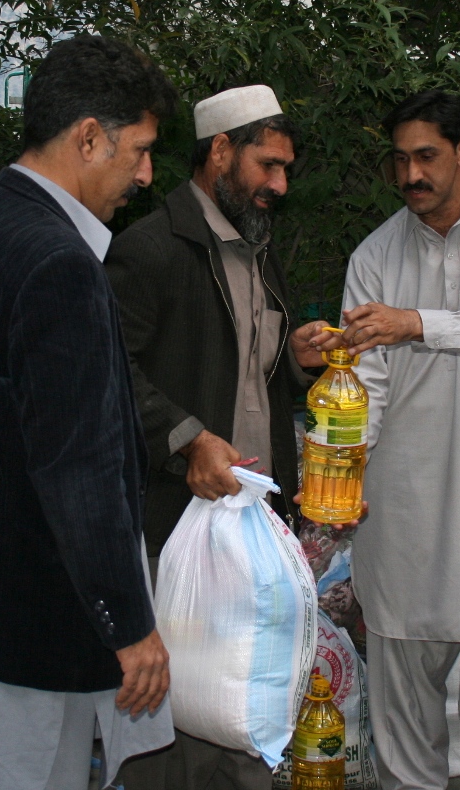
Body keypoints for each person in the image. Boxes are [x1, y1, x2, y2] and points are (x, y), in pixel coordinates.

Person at [106, 84, 335, 790]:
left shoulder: (256, 247)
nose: (279, 184)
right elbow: (109, 369)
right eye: (267, 165)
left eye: (286, 169)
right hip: (174, 524)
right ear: (219, 151)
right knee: (169, 711)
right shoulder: (149, 248)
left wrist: (293, 363)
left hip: (251, 523)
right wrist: (183, 437)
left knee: (245, 697)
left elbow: (248, 373)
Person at [0, 33, 179, 790]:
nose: (147, 176)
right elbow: (78, 466)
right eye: (141, 151)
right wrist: (128, 626)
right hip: (31, 637)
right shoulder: (58, 262)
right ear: (89, 137)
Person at [339, 89, 460, 790]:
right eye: (398, 160)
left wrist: (415, 323)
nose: (410, 175)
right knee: (403, 728)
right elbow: (365, 386)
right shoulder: (373, 255)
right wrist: (339, 470)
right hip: (401, 516)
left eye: (425, 156)